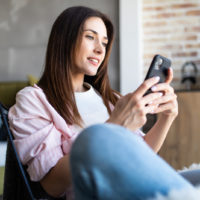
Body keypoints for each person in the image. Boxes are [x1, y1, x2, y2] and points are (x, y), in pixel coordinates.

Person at [8, 6, 197, 200]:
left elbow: (141, 154)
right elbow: (50, 185)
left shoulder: (111, 99)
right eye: (90, 37)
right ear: (64, 39)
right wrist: (115, 126)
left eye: (105, 43)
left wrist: (166, 118)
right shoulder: (33, 99)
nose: (100, 49)